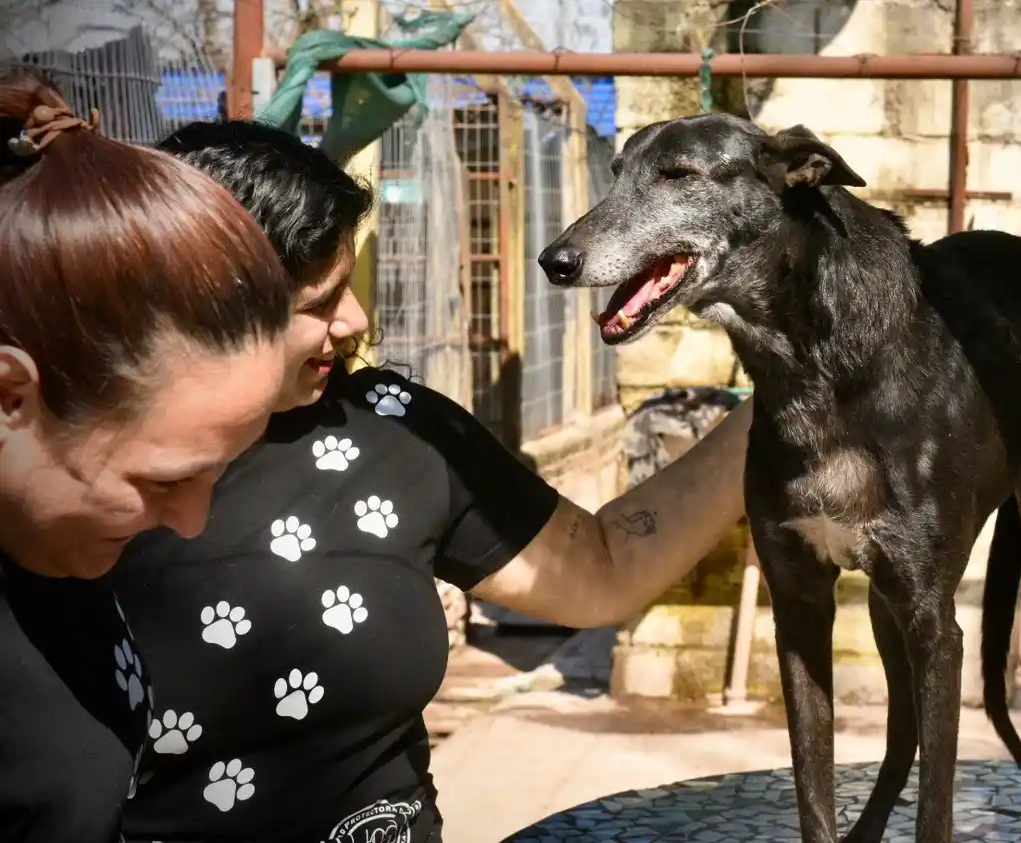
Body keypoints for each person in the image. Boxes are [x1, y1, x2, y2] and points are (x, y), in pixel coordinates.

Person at [108, 118, 753, 843]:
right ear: (209, 301)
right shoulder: (76, 482)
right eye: (320, 302)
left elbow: (600, 567)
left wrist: (786, 409)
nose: (355, 319)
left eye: (348, 285)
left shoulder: (395, 428)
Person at [0, 72, 297, 841]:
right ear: (8, 397)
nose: (192, 522)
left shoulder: (56, 554)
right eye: (164, 479)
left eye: (221, 471)